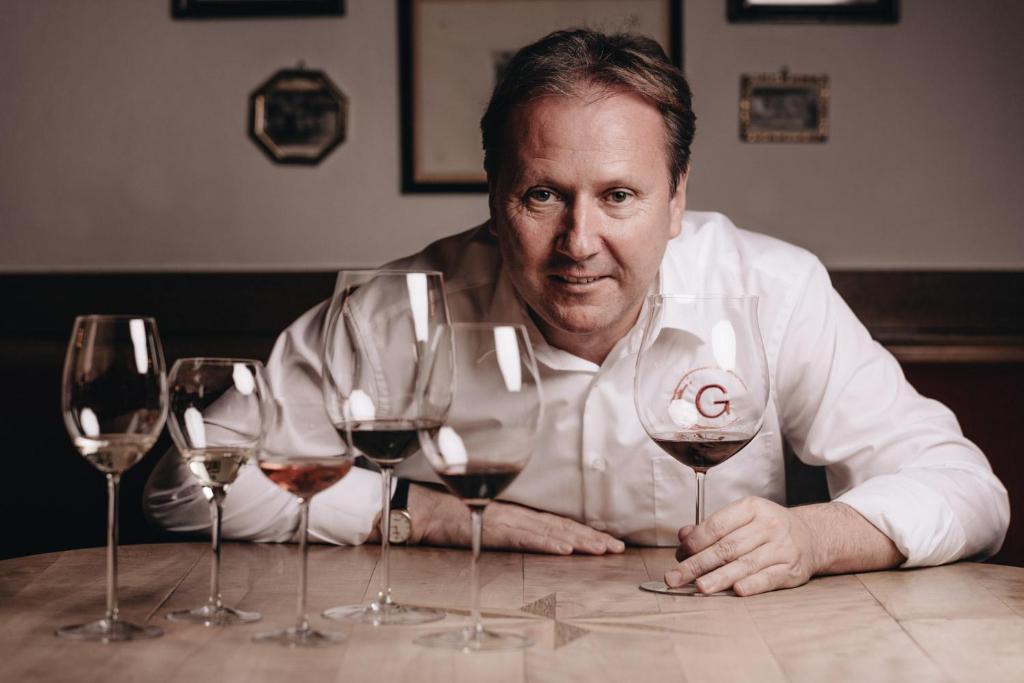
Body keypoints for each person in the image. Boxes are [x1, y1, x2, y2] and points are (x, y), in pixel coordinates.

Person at [145, 29, 1009, 596]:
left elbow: (970, 492)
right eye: (543, 194)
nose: (579, 240)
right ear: (493, 198)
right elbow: (186, 486)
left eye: (620, 195)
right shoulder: (394, 311)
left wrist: (816, 537)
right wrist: (418, 513)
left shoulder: (772, 290)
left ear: (677, 202)